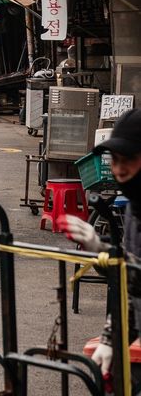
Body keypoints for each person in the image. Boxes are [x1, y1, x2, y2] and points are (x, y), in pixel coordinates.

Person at [60, 109, 141, 391]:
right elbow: (130, 290)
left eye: (128, 159)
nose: (119, 169)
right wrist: (111, 341)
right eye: (115, 160)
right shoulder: (133, 210)